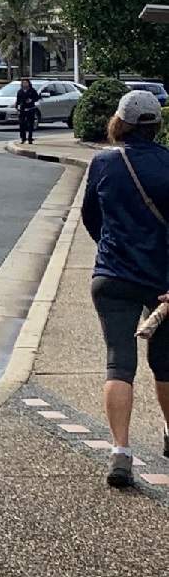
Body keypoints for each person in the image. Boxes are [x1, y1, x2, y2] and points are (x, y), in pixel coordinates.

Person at [81, 89, 169, 487]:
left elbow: (91, 218)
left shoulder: (103, 163)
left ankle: (121, 451)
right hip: (163, 282)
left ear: (121, 122)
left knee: (119, 361)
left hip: (113, 276)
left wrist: (112, 247)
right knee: (166, 363)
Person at [16, 77, 42, 144]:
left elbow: (37, 98)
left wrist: (31, 100)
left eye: (26, 83)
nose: (25, 84)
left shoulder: (32, 90)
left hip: (30, 109)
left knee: (30, 124)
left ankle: (30, 138)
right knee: (22, 124)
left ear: (28, 83)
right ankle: (23, 138)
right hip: (22, 109)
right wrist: (17, 106)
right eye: (23, 83)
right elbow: (18, 100)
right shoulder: (20, 91)